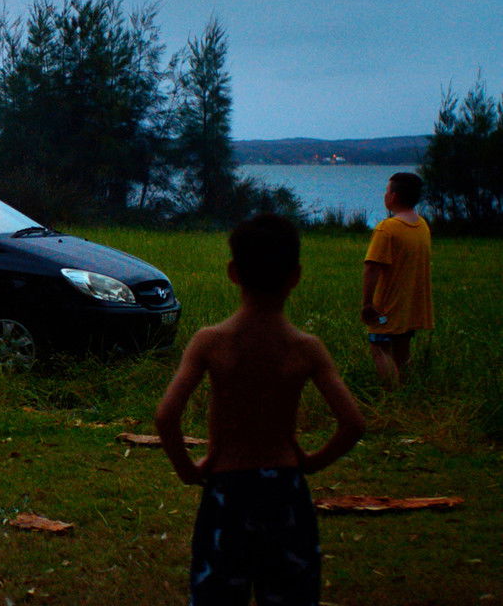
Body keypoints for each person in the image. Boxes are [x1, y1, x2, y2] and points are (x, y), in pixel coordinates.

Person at [156, 214, 364, 606]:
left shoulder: (211, 342)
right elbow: (352, 423)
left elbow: (167, 416)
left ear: (233, 272)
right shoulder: (307, 347)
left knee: (217, 594)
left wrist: (188, 469)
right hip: (285, 489)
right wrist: (313, 462)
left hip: (227, 487)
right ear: (296, 276)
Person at [362, 172, 433, 389]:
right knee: (402, 348)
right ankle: (407, 388)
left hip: (387, 307)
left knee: (379, 347)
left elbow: (372, 267)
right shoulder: (421, 225)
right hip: (411, 305)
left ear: (393, 197)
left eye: (386, 191)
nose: (385, 195)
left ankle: (393, 392)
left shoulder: (387, 228)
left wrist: (367, 303)